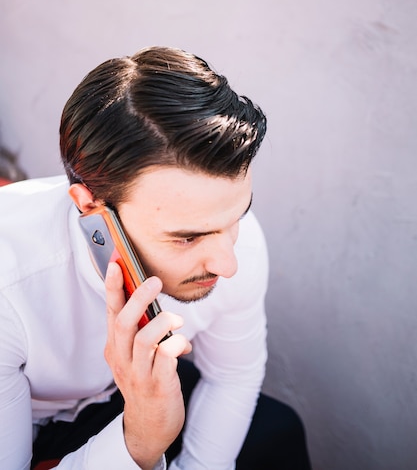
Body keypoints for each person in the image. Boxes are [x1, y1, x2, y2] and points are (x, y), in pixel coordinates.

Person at [0, 46, 311, 470]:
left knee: (278, 430)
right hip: (27, 419)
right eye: (187, 238)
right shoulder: (10, 280)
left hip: (131, 390)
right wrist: (140, 440)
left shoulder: (237, 240)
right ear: (89, 208)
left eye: (235, 218)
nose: (228, 264)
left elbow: (232, 377)